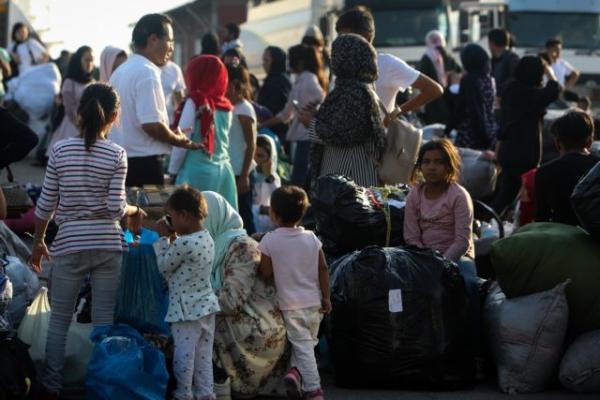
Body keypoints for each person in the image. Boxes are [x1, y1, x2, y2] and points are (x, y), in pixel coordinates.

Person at [29, 83, 146, 399]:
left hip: (69, 244)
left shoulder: (59, 150)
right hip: (108, 245)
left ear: (79, 113)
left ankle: (52, 386)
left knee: (59, 321)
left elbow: (45, 205)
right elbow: (116, 208)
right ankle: (100, 384)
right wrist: (135, 210)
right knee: (103, 322)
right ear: (115, 117)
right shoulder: (117, 154)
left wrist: (39, 242)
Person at [202, 191, 288, 397]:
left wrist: (191, 301)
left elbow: (230, 302)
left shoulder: (242, 247)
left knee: (198, 322)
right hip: (241, 321)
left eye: (199, 218)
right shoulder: (213, 246)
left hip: (258, 329)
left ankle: (219, 383)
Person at [403, 139, 479, 370]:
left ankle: (475, 352)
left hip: (457, 256)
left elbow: (462, 240)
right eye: (426, 162)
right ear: (420, 166)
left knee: (469, 286)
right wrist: (426, 261)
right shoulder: (415, 195)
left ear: (449, 166)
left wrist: (442, 264)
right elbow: (411, 236)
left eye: (438, 162)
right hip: (423, 257)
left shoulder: (458, 195)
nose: (432, 167)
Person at [109, 13, 200, 187]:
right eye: (170, 41)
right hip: (145, 166)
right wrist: (177, 139)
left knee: (127, 205)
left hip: (120, 163)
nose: (172, 48)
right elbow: (151, 125)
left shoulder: (120, 72)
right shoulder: (147, 71)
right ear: (153, 39)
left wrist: (170, 132)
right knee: (152, 205)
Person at [257, 186, 331, 400]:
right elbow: (323, 268)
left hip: (290, 306)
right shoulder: (311, 238)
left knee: (303, 347)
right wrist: (326, 296)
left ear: (274, 214)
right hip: (314, 304)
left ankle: (314, 389)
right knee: (307, 343)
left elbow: (265, 273)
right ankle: (295, 373)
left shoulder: (269, 240)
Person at [155, 186, 218, 400]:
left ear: (183, 215)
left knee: (184, 354)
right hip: (206, 307)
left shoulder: (184, 243)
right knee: (203, 356)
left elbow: (164, 266)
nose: (170, 222)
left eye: (171, 217)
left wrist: (163, 239)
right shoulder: (207, 237)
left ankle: (184, 393)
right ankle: (206, 393)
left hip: (186, 311)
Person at [335, 6, 443, 114]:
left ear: (366, 37)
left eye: (346, 37)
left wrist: (397, 112)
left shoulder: (387, 64)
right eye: (339, 37)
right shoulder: (340, 65)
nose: (341, 42)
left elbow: (434, 89)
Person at [312, 33, 385, 188]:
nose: (332, 60)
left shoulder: (352, 92)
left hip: (349, 176)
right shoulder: (359, 88)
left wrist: (311, 124)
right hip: (350, 175)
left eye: (335, 56)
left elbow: (342, 133)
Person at [492, 56, 561, 214]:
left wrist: (498, 150)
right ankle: (493, 219)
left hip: (508, 149)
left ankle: (492, 219)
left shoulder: (511, 90)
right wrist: (550, 72)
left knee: (507, 192)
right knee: (519, 193)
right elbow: (553, 91)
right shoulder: (530, 94)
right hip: (524, 152)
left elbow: (504, 124)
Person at [169, 55, 237, 208]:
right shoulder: (226, 106)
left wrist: (172, 171)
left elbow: (182, 140)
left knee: (192, 220)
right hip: (224, 173)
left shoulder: (195, 102)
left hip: (196, 174)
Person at [260, 45, 327, 187]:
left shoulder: (308, 79)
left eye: (290, 59)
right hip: (302, 136)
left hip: (307, 136)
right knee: (300, 177)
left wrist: (315, 110)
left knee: (299, 178)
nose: (288, 63)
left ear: (300, 62)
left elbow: (322, 98)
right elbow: (286, 114)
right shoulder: (301, 80)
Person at [535, 111, 600, 225]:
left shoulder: (544, 172)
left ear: (558, 143)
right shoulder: (597, 167)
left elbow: (541, 219)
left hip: (561, 233)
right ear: (590, 141)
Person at [445, 43, 498, 150]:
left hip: (471, 133)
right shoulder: (490, 80)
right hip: (491, 129)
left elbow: (461, 109)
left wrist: (447, 130)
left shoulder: (469, 80)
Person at [225, 64, 257, 234]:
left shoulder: (244, 108)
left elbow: (251, 144)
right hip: (232, 170)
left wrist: (244, 176)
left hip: (241, 171)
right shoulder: (230, 107)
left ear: (234, 84)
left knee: (245, 217)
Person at [47, 46, 95, 152]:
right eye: (87, 60)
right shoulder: (69, 82)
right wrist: (81, 126)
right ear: (78, 61)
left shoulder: (93, 82)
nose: (90, 64)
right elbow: (69, 109)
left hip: (89, 128)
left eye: (92, 60)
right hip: (72, 126)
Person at [418, 30, 462, 124]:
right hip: (446, 96)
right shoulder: (446, 55)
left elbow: (421, 76)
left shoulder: (428, 57)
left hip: (435, 96)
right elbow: (458, 70)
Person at [256, 46, 292, 145]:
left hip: (276, 135)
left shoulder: (278, 82)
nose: (263, 64)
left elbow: (275, 110)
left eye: (266, 60)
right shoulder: (277, 79)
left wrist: (260, 124)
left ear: (275, 62)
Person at [253, 135, 281, 233]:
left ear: (270, 158)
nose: (255, 160)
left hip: (270, 226)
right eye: (253, 154)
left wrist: (269, 176)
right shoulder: (245, 176)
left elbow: (278, 200)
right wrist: (260, 209)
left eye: (260, 156)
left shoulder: (274, 177)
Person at [488, 28, 520, 98]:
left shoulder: (512, 59)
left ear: (492, 43)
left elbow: (515, 80)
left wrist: (499, 91)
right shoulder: (492, 61)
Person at [161, 58, 186, 123]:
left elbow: (180, 99)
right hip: (143, 122)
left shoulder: (174, 69)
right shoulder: (142, 66)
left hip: (168, 121)